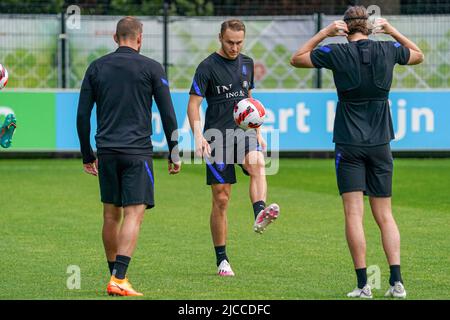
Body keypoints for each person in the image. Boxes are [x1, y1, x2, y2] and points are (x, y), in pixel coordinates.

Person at [290, 6, 424, 298]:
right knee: (385, 215)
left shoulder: (336, 53)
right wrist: (391, 31)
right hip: (380, 144)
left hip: (349, 143)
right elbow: (418, 54)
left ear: (346, 28)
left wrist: (325, 33)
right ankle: (397, 282)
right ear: (370, 26)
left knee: (354, 214)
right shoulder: (388, 50)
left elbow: (296, 58)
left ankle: (364, 285)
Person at [77, 16, 181, 296]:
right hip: (137, 152)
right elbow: (168, 114)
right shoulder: (151, 67)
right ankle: (119, 278)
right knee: (134, 213)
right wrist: (174, 152)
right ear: (139, 39)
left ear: (115, 38)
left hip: (107, 151)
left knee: (111, 215)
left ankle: (114, 274)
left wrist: (88, 154)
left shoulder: (96, 67)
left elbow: (83, 115)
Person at [187, 19, 280, 277]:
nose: (234, 48)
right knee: (221, 198)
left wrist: (258, 131)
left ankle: (260, 213)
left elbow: (250, 101)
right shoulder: (206, 67)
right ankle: (222, 260)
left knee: (259, 163)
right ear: (220, 37)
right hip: (216, 137)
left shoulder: (247, 63)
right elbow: (193, 104)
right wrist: (198, 136)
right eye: (230, 42)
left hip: (243, 134)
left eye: (239, 42)